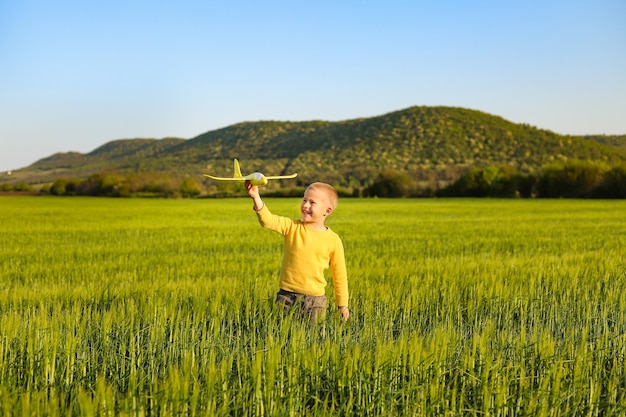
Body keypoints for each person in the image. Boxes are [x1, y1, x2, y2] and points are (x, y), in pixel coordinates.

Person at [245, 180, 350, 322]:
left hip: (315, 302)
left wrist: (342, 305)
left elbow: (340, 275)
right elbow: (268, 220)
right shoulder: (292, 227)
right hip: (286, 297)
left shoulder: (333, 240)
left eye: (312, 202)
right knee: (282, 336)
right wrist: (256, 197)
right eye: (304, 200)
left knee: (312, 341)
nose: (305, 205)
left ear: (327, 211)